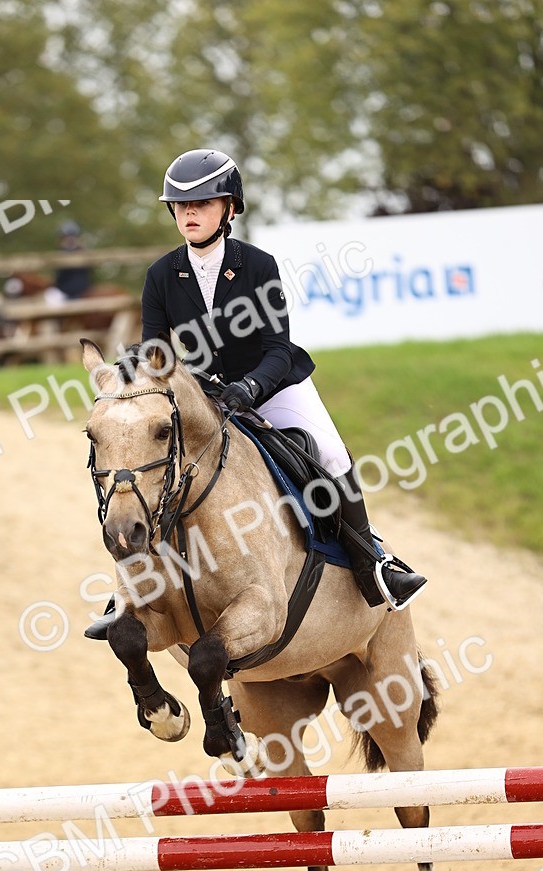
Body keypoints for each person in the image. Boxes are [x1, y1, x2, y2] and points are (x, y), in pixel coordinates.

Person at [85, 148, 426, 639]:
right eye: (181, 206)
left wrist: (249, 388)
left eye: (202, 204)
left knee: (329, 452)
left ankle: (372, 563)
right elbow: (156, 349)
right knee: (152, 464)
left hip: (271, 383)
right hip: (203, 394)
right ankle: (131, 590)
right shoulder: (162, 274)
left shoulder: (257, 266)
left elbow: (278, 348)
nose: (189, 214)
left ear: (229, 208)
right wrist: (130, 366)